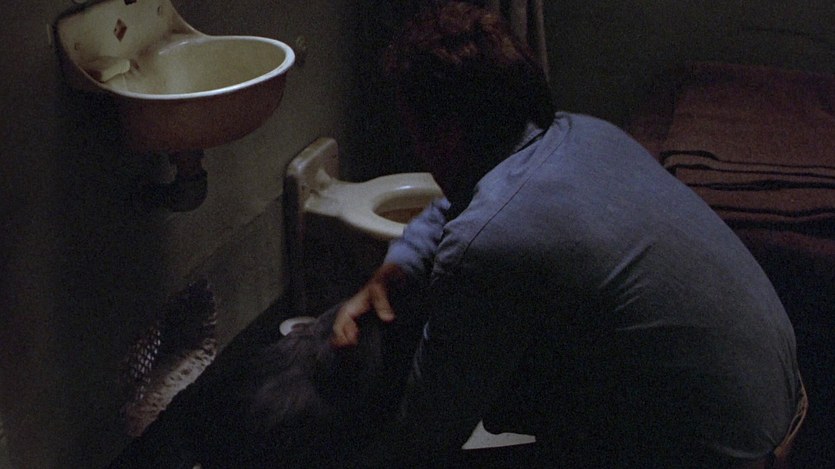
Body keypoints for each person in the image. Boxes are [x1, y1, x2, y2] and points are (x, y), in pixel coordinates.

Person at [331, 2, 804, 467]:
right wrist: (398, 265)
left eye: (415, 131)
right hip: (781, 408)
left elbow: (426, 435)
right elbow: (461, 203)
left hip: (722, 455)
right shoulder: (585, 135)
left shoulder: (490, 240)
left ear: (447, 135)